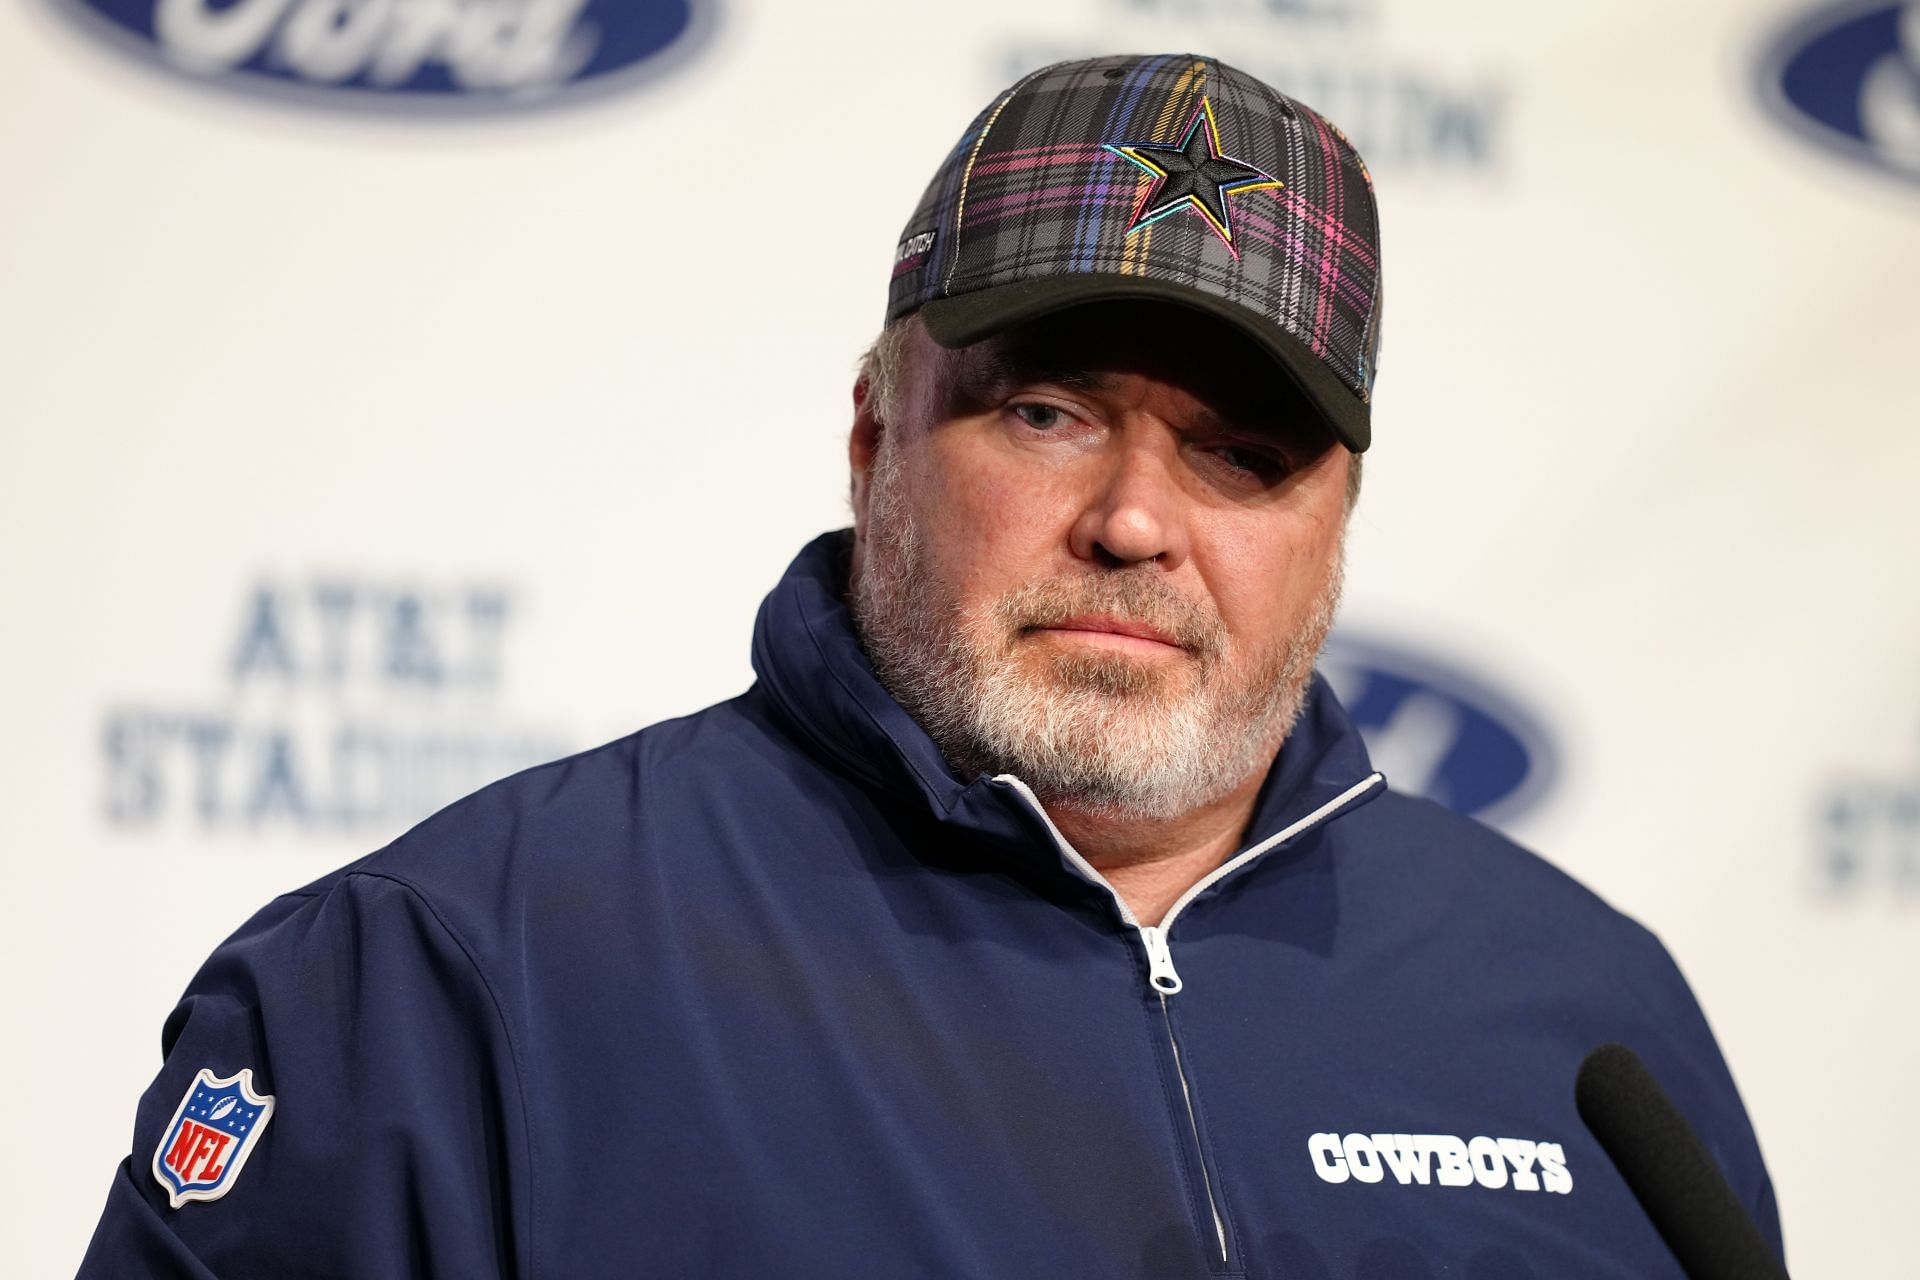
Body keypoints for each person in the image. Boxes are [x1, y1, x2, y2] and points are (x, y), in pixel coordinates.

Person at [79, 54, 1782, 1279]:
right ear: (874, 430)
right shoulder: (457, 973)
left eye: (1242, 453)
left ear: (1334, 519)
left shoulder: (1583, 1013)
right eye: (1047, 414)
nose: (1135, 522)